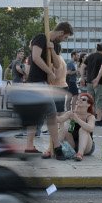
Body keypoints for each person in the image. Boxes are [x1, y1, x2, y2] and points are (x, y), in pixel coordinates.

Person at [23, 22, 74, 158]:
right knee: (51, 113)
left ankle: (29, 146)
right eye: (65, 37)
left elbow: (57, 65)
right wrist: (49, 72)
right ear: (61, 32)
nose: (64, 40)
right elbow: (35, 58)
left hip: (44, 83)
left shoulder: (55, 45)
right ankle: (57, 148)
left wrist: (51, 49)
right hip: (35, 82)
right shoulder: (40, 38)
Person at [56, 92, 96, 160]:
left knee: (83, 129)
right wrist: (49, 113)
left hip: (87, 147)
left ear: (88, 104)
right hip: (73, 144)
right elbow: (59, 119)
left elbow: (91, 128)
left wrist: (77, 119)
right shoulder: (71, 113)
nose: (80, 100)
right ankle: (55, 149)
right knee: (64, 128)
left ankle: (80, 154)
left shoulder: (90, 116)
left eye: (83, 99)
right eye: (79, 99)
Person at [82, 43, 102, 125]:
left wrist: (82, 78)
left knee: (90, 101)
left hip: (89, 82)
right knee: (100, 100)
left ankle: (90, 119)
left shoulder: (90, 56)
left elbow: (82, 67)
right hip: (100, 82)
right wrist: (97, 79)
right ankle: (99, 120)